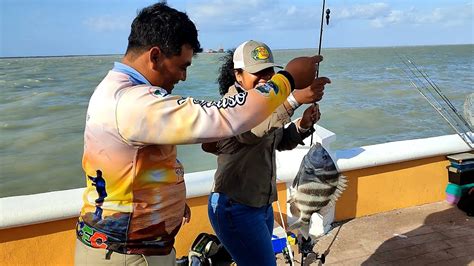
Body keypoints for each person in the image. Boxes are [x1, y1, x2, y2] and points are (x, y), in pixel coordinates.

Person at [74, 2, 329, 266]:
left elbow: (140, 163)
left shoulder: (121, 93)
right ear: (155, 56)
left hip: (136, 246)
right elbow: (228, 118)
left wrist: (171, 201)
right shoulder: (132, 102)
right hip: (126, 252)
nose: (183, 77)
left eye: (270, 72)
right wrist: (287, 82)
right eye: (181, 66)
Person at [203, 40, 327, 265]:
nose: (265, 77)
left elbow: (276, 140)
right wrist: (294, 99)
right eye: (257, 72)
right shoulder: (231, 105)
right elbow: (251, 132)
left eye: (269, 71)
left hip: (261, 205)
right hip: (235, 207)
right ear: (238, 75)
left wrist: (303, 126)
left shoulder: (267, 106)